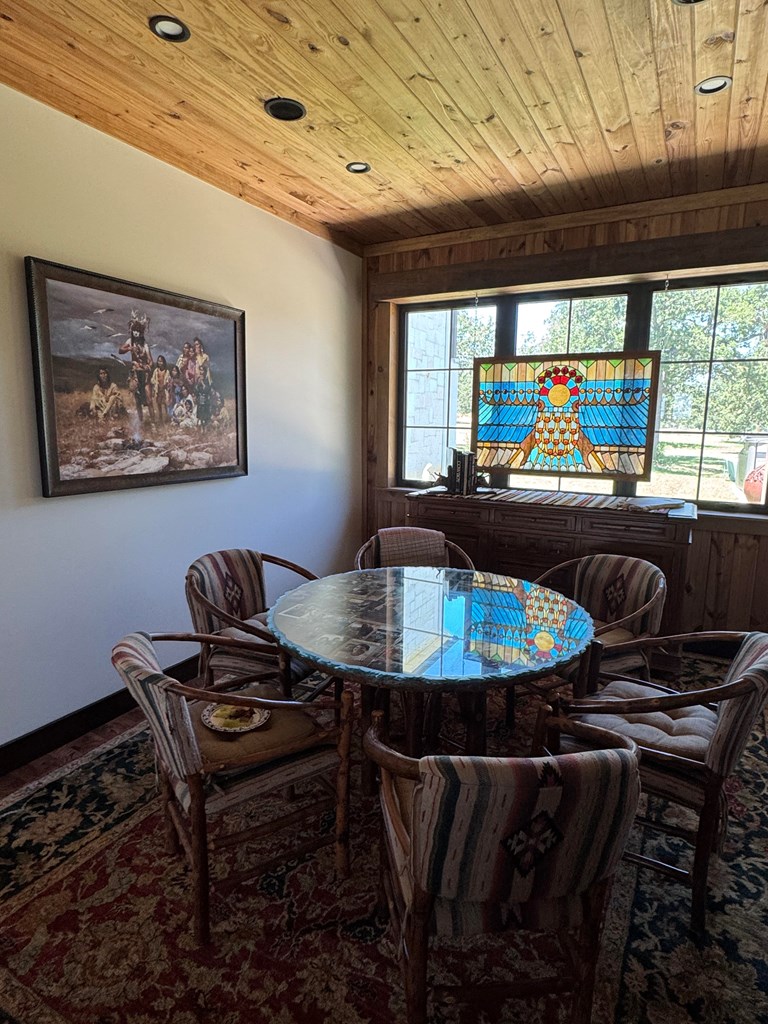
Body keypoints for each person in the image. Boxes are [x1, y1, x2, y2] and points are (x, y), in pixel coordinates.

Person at [118, 311, 154, 422]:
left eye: (139, 331)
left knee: (149, 399)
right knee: (138, 399)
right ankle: (141, 421)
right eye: (135, 331)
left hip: (144, 373)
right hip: (135, 373)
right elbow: (120, 350)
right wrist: (129, 349)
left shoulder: (145, 345)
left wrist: (148, 366)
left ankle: (153, 424)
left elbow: (151, 360)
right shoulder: (130, 341)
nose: (136, 333)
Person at [151, 354, 170, 423]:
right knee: (158, 404)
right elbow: (152, 379)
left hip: (164, 389)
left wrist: (166, 383)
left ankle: (167, 417)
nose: (160, 363)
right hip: (158, 389)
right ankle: (160, 417)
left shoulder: (166, 371)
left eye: (161, 361)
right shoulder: (156, 371)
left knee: (165, 404)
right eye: (158, 361)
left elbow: (168, 379)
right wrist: (155, 383)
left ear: (164, 362)